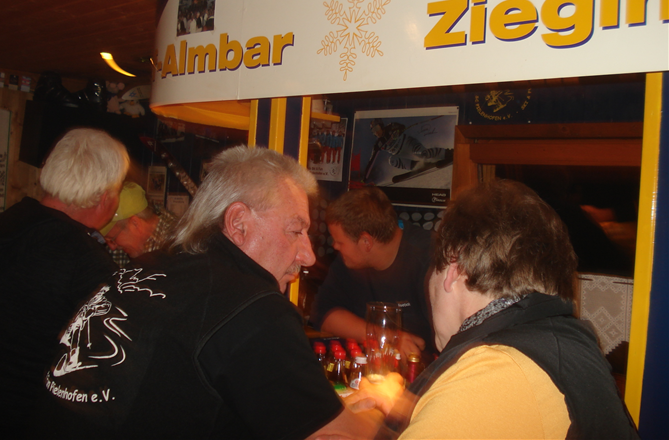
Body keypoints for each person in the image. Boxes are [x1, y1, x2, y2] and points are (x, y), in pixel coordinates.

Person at [38, 145, 379, 440]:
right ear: (239, 223)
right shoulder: (253, 308)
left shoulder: (147, 267)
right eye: (295, 231)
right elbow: (340, 435)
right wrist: (384, 404)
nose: (308, 256)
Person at [346, 179, 640, 440]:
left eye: (434, 269)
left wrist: (363, 422)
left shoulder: (494, 373)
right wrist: (401, 405)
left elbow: (481, 400)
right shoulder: (555, 342)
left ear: (453, 269)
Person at [0, 127, 129, 437]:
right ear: (104, 197)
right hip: (22, 416)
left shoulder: (13, 219)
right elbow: (119, 350)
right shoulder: (82, 256)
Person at [311, 187, 436, 362]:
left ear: (366, 242)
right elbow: (323, 313)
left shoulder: (432, 260)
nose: (334, 246)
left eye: (340, 242)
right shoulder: (350, 260)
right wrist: (387, 337)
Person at [101, 181, 178, 267]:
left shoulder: (176, 245)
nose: (112, 247)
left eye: (112, 240)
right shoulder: (121, 248)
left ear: (135, 223)